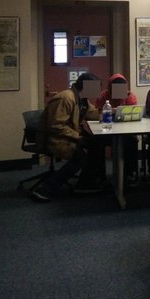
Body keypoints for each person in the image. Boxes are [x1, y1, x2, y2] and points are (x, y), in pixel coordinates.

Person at [31, 73, 104, 202]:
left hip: (67, 135)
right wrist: (77, 137)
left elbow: (91, 113)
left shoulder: (82, 99)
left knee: (97, 143)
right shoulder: (66, 98)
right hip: (54, 137)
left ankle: (86, 182)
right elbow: (55, 126)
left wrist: (111, 113)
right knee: (79, 156)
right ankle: (44, 190)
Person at [95, 73, 140, 183]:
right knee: (97, 143)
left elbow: (132, 114)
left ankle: (130, 173)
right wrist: (112, 111)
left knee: (132, 141)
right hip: (106, 130)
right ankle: (100, 175)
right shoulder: (103, 96)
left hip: (125, 130)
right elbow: (98, 114)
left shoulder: (130, 96)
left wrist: (116, 111)